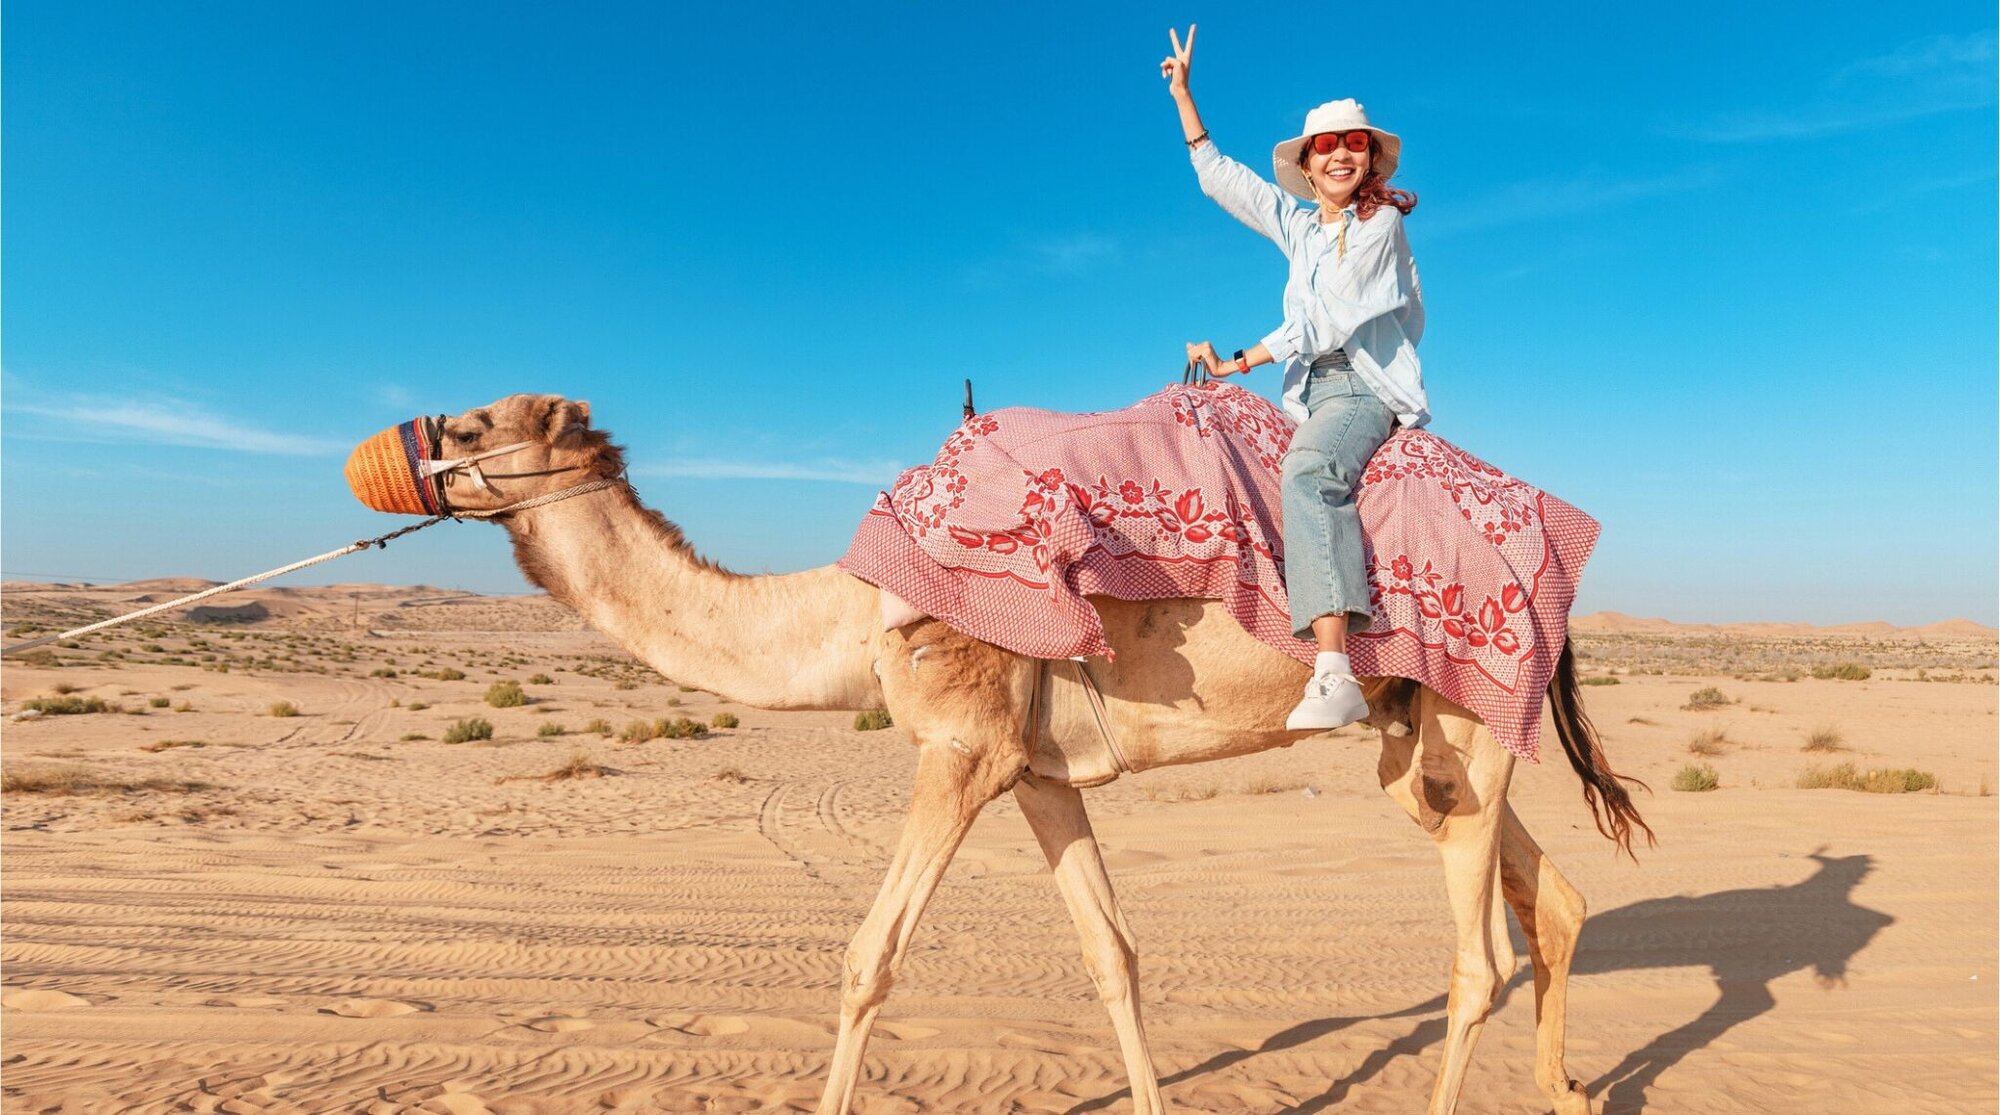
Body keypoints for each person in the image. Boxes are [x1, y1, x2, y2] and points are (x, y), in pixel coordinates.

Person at [1160, 25, 1427, 731]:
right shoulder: (1303, 226)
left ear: (1369, 159)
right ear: (1307, 166)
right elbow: (1227, 182)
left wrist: (1240, 359)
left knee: (1309, 473)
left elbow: (1331, 319)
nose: (1340, 152)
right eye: (1326, 145)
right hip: (1309, 391)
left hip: (1363, 387)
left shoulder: (1380, 230)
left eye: (1354, 142)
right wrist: (1186, 97)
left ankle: (1335, 672)